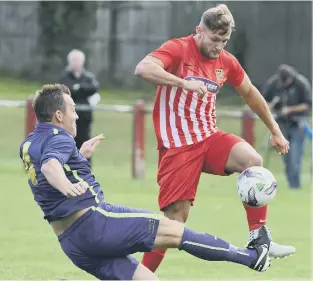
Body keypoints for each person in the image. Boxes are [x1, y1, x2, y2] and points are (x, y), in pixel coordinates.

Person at [19, 84, 273, 280]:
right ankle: (251, 257)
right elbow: (51, 167)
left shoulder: (30, 142)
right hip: (95, 223)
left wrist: (78, 157)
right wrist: (67, 185)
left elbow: (47, 166)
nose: (76, 116)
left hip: (72, 243)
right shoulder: (60, 139)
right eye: (72, 110)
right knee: (176, 232)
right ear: (59, 115)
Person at [134, 4, 295, 272]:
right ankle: (140, 275)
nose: (218, 46)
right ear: (199, 31)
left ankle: (258, 236)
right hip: (178, 147)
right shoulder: (178, 49)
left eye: (224, 41)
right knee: (174, 222)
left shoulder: (226, 62)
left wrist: (275, 130)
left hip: (209, 139)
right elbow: (143, 69)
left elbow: (251, 93)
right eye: (214, 39)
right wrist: (183, 83)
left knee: (253, 161)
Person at [263, 64, 312, 189]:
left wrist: (289, 109)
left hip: (298, 124)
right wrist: (270, 106)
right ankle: (291, 183)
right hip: (281, 125)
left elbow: (307, 104)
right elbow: (263, 101)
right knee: (286, 157)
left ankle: (295, 186)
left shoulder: (301, 83)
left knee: (295, 156)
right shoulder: (273, 83)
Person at [59, 49, 100, 164]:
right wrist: (80, 91)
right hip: (67, 119)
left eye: (78, 60)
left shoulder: (88, 77)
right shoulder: (64, 77)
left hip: (84, 119)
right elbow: (65, 90)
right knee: (68, 145)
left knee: (85, 144)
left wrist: (78, 88)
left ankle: (85, 170)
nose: (76, 62)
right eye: (74, 60)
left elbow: (94, 88)